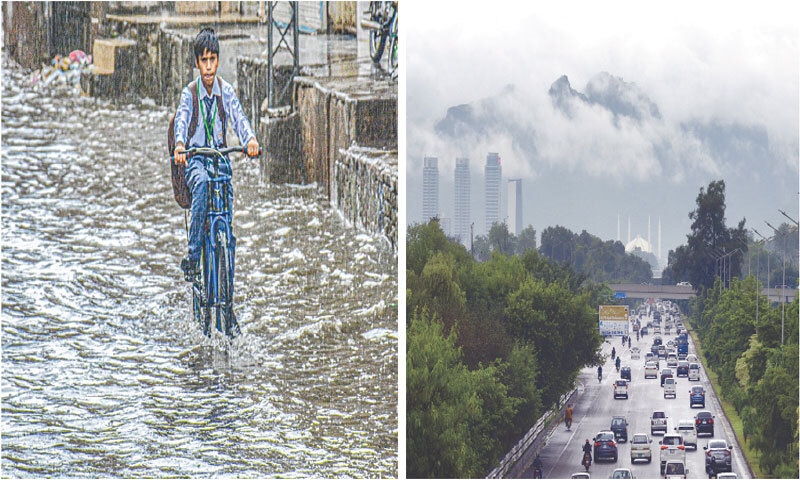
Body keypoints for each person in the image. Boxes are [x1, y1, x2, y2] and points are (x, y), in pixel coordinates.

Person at [173, 27, 260, 279]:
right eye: (204, 61)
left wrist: (250, 139)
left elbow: (239, 118)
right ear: (197, 63)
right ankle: (192, 256)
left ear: (218, 61)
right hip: (196, 159)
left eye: (213, 60)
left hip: (220, 157)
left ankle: (227, 287)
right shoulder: (189, 94)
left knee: (227, 203)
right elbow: (181, 120)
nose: (209, 67)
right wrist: (180, 145)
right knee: (200, 185)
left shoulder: (226, 91)